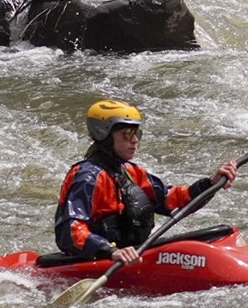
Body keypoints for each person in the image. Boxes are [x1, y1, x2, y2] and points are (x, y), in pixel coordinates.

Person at [54, 100, 237, 265]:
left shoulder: (132, 173)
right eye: (127, 134)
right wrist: (110, 251)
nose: (135, 141)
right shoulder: (88, 178)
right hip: (102, 259)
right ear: (105, 135)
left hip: (131, 254)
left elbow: (171, 200)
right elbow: (69, 231)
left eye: (137, 133)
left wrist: (211, 184)